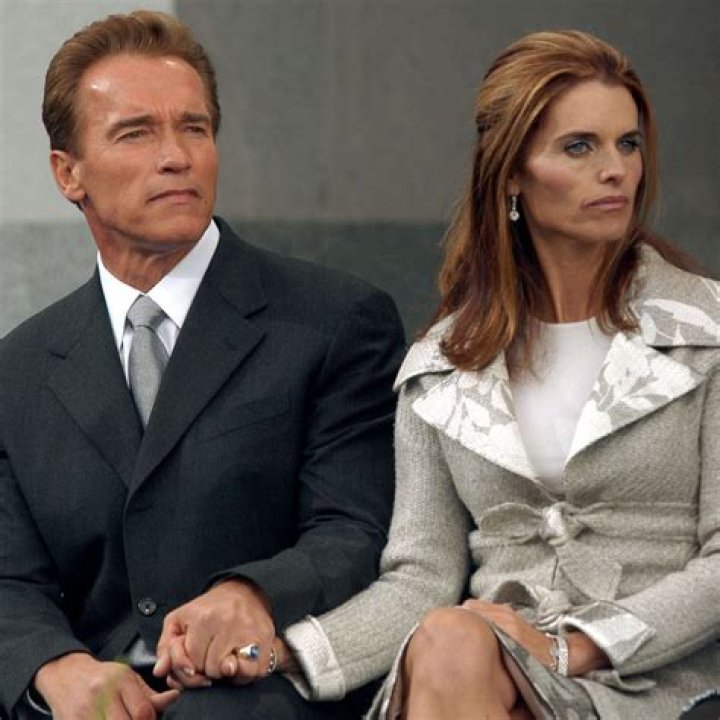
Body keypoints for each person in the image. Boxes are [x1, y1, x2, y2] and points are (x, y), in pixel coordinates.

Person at [274, 30, 719, 719]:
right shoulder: (440, 368)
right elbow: (420, 580)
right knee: (451, 638)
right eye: (580, 147)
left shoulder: (707, 331)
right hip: (487, 672)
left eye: (628, 144)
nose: (617, 170)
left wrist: (573, 647)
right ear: (511, 174)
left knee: (457, 649)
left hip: (666, 681)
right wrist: (281, 653)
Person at [0, 10, 405, 720]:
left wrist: (252, 594)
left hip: (261, 692)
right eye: (136, 133)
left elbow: (354, 531)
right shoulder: (20, 368)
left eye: (194, 128)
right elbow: (10, 579)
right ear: (69, 173)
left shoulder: (336, 321)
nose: (177, 157)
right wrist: (57, 669)